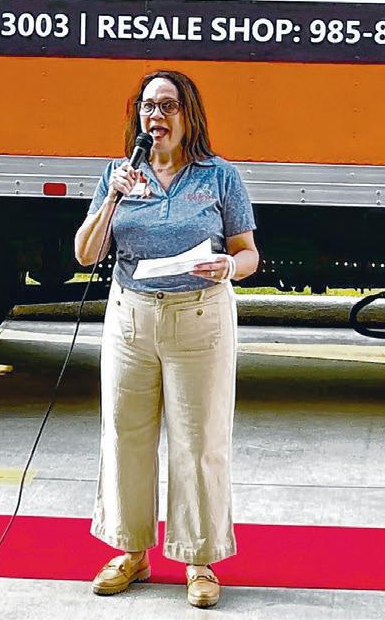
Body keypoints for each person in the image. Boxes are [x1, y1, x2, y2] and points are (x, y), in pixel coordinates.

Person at [74, 69, 259, 609]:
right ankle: (131, 551)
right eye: (148, 106)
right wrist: (112, 198)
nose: (156, 116)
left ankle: (199, 559)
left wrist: (229, 266)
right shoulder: (118, 174)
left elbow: (248, 252)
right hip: (131, 317)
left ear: (188, 115)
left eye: (168, 106)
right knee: (124, 434)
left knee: (198, 440)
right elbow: (85, 254)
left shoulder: (219, 176)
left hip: (198, 315)